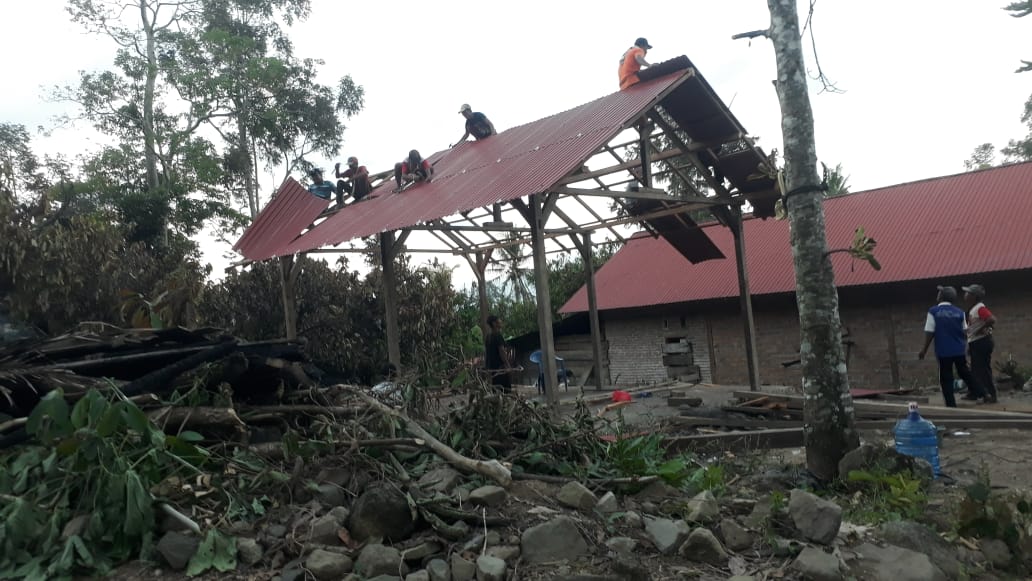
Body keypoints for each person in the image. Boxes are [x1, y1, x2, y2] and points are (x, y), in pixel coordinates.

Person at [918, 285, 986, 407]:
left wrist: (924, 350)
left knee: (946, 378)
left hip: (943, 351)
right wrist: (966, 347)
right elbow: (965, 332)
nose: (937, 294)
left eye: (939, 293)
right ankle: (982, 393)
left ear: (941, 296)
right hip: (959, 350)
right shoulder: (959, 312)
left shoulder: (933, 311)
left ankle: (951, 404)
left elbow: (930, 332)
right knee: (965, 373)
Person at [964, 284, 999, 403]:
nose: (965, 295)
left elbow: (991, 319)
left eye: (968, 293)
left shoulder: (979, 308)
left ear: (974, 296)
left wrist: (979, 330)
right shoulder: (974, 309)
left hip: (982, 342)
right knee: (975, 370)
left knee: (983, 370)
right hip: (976, 342)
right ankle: (974, 393)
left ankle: (991, 395)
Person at [484, 314, 513, 393]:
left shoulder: (488, 337)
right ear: (494, 323)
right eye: (499, 320)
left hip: (493, 369)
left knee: (496, 391)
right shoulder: (498, 335)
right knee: (506, 391)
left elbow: (487, 353)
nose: (501, 322)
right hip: (501, 369)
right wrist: (507, 365)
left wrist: (487, 367)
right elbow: (502, 352)